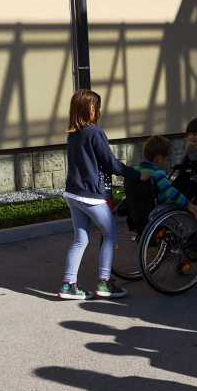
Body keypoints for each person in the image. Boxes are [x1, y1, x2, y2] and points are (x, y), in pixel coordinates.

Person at [59, 89, 138, 300]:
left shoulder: (73, 134)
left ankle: (68, 285)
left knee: (80, 240)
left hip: (73, 194)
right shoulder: (94, 132)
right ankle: (105, 283)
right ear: (88, 108)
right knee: (110, 235)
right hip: (91, 196)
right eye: (95, 106)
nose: (98, 110)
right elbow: (111, 164)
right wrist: (137, 174)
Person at [137, 135, 197, 217]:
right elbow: (170, 192)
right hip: (162, 211)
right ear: (158, 159)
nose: (168, 162)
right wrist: (188, 205)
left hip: (144, 212)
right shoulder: (157, 174)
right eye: (167, 159)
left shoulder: (138, 170)